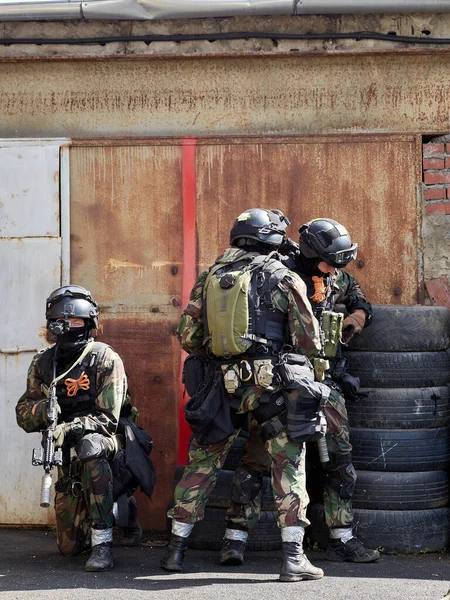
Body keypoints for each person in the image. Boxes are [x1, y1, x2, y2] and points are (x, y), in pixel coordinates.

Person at [161, 208, 334, 582]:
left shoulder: (209, 277)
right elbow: (309, 340)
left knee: (202, 466)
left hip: (220, 389)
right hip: (270, 388)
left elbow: (188, 337)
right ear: (270, 238)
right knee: (287, 465)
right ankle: (293, 559)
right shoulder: (284, 278)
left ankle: (175, 550)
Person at [219, 218, 381, 566]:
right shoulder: (278, 274)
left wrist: (353, 321)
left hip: (324, 380)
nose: (333, 268)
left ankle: (342, 536)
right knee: (257, 460)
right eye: (327, 261)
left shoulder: (336, 274)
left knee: (340, 459)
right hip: (280, 381)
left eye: (339, 262)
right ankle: (235, 538)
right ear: (310, 254)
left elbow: (361, 302)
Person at [16, 285, 143, 572]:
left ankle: (103, 543)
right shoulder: (43, 363)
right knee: (69, 547)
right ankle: (113, 508)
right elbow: (23, 412)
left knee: (91, 447)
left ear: (89, 324)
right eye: (62, 322)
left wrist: (70, 428)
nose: (69, 328)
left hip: (109, 442)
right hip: (68, 452)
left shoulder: (104, 358)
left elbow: (108, 420)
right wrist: (42, 412)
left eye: (76, 322)